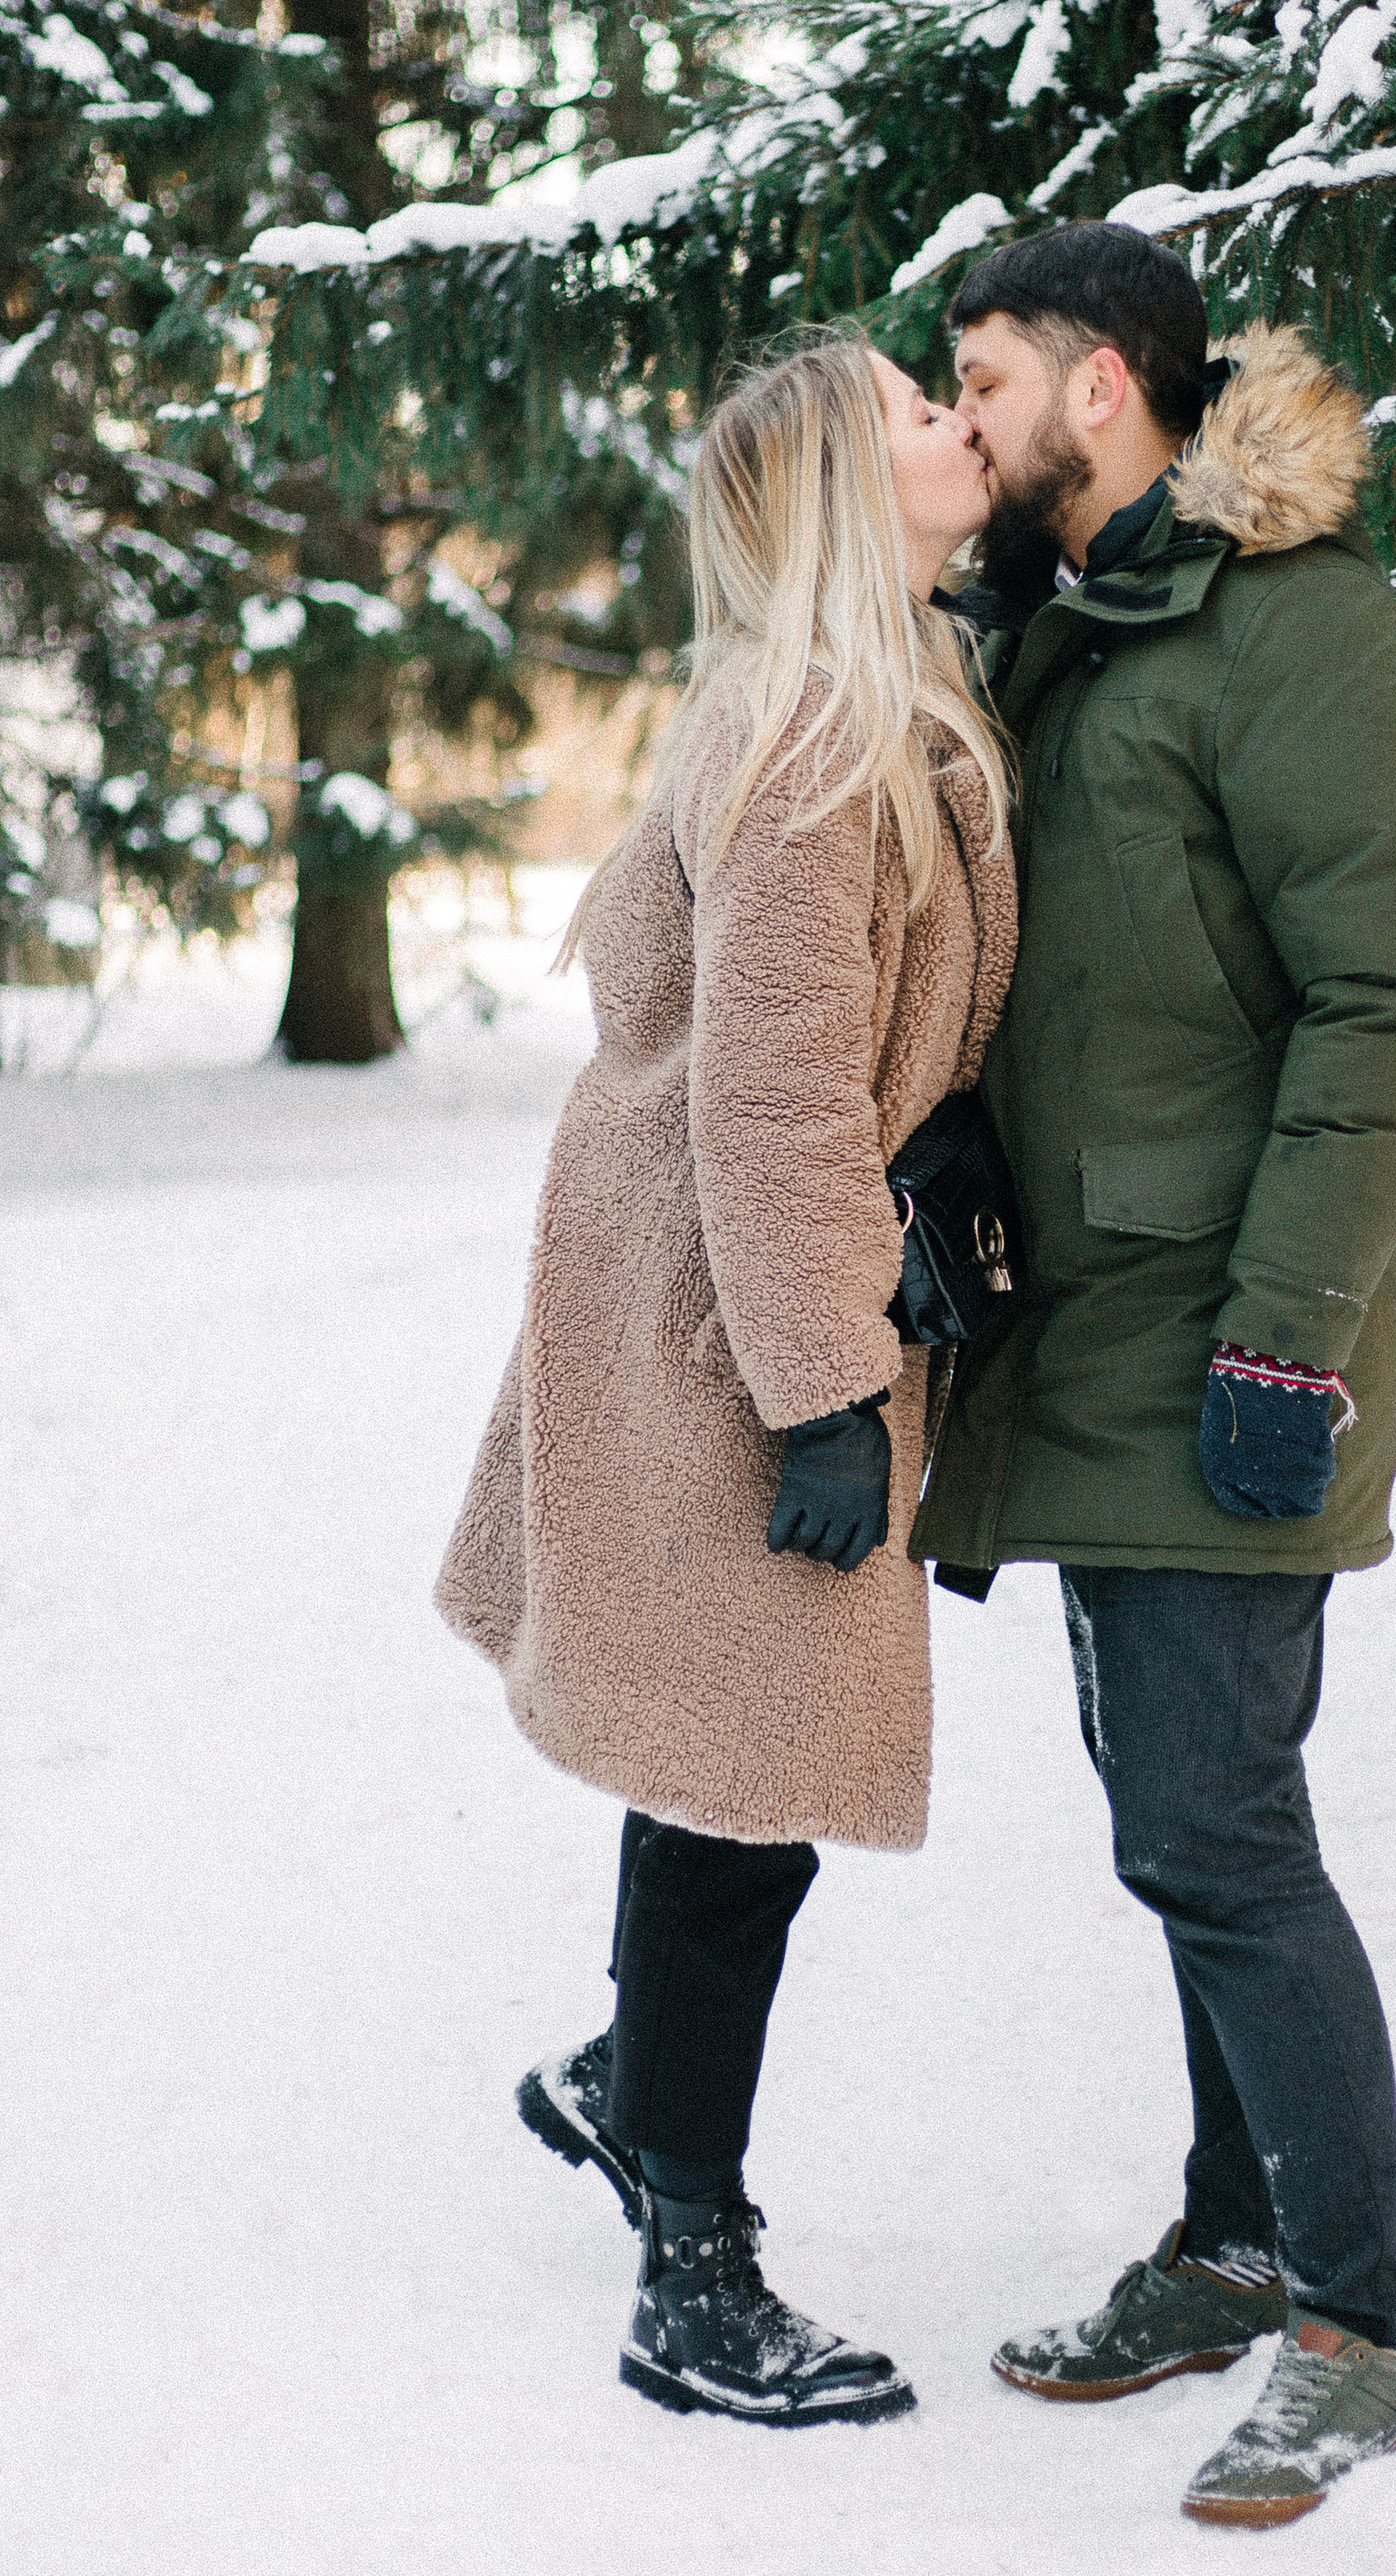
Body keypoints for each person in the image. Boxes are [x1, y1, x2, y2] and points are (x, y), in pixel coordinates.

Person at [914, 222, 1396, 2530]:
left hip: (1233, 1331)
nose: (956, 418)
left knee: (1221, 1832)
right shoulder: (1071, 637)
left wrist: (1290, 1336)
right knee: (1181, 1827)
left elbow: (1393, 1008)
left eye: (982, 377)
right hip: (1097, 1320)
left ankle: (1358, 2313)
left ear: (1104, 393)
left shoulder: (1311, 637)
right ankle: (1238, 2231)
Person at [437, 332, 1015, 2429]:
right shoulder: (813, 738)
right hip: (728, 1318)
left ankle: (625, 2079)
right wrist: (822, 1392)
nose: (961, 425)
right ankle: (696, 2269)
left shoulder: (868, 692)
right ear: (852, 493)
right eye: (918, 412)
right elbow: (770, 1110)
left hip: (711, 1284)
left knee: (717, 1734)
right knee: (745, 1774)